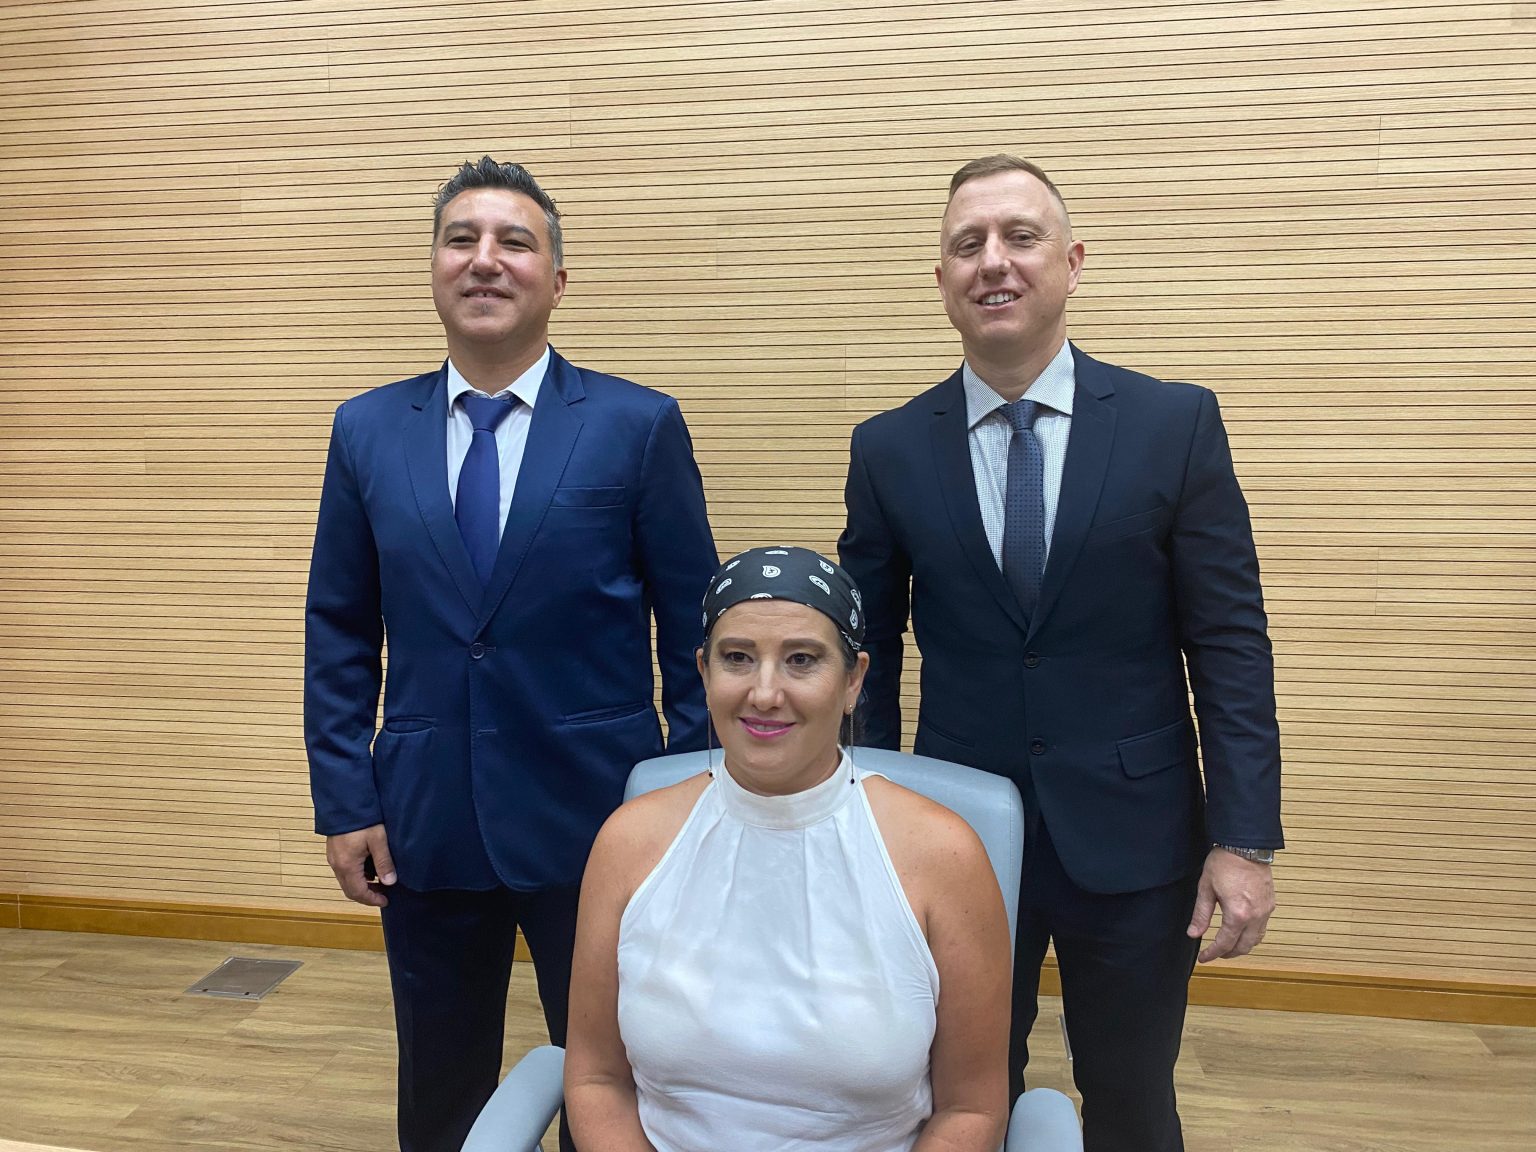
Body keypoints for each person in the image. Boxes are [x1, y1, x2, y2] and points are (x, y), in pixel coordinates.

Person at [838, 155, 1283, 1152]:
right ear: (943, 277)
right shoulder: (890, 448)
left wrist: (1243, 839)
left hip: (1137, 836)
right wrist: (862, 816)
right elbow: (865, 657)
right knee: (959, 1093)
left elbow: (1229, 644)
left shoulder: (1174, 424)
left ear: (1072, 261)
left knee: (1130, 1096)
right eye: (968, 245)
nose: (993, 261)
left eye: (1020, 237)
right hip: (955, 836)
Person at [303, 156, 718, 1152]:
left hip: (602, 816)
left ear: (556, 280)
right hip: (425, 818)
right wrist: (347, 800)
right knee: (440, 1080)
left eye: (514, 242)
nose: (485, 260)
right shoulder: (366, 430)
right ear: (434, 269)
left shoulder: (636, 424)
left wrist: (688, 799)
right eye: (462, 240)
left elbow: (697, 634)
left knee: (614, 1073)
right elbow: (341, 629)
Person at [564, 546, 1011, 1152]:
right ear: (704, 674)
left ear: (853, 680)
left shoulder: (943, 857)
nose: (765, 693)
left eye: (801, 660)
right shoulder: (628, 843)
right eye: (737, 658)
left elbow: (970, 1109)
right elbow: (596, 1080)